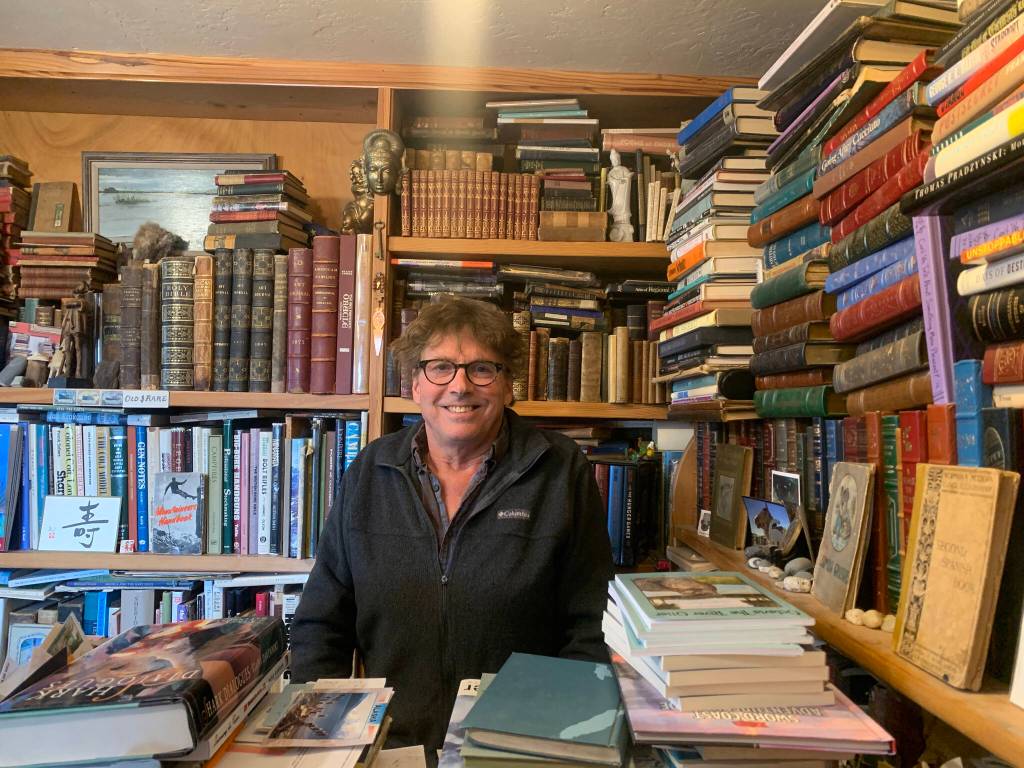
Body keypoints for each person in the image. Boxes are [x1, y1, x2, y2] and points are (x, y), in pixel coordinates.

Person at [290, 297, 613, 753]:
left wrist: (560, 741)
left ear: (506, 386)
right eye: (440, 368)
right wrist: (324, 743)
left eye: (482, 368)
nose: (459, 387)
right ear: (416, 385)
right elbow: (321, 625)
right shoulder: (369, 472)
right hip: (390, 748)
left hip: (516, 747)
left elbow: (590, 625)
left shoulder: (560, 471)